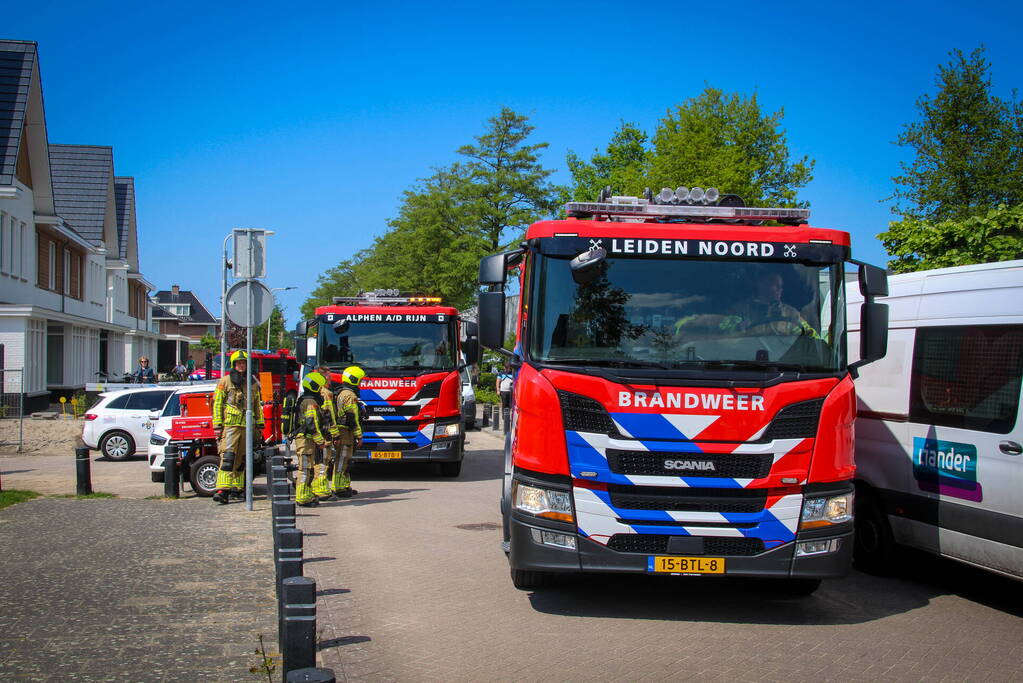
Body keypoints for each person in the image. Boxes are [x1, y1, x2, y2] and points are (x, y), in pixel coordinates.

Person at [211, 350, 264, 504]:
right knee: (228, 457)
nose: (242, 365)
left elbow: (256, 406)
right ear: (234, 365)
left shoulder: (252, 383)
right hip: (230, 425)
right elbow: (218, 404)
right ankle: (222, 490)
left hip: (247, 426)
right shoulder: (225, 381)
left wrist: (260, 424)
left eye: (244, 363)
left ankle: (237, 488)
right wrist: (217, 425)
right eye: (239, 363)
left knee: (241, 459)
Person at [292, 371, 328, 507]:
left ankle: (306, 494)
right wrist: (320, 441)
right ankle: (302, 497)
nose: (320, 390)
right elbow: (311, 424)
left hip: (307, 439)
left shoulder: (306, 399)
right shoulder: (310, 401)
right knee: (305, 469)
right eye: (319, 387)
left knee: (309, 469)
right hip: (306, 440)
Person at [331, 365, 365, 498]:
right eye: (360, 381)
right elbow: (352, 417)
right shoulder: (350, 395)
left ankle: (344, 485)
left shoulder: (342, 392)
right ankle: (339, 487)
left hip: (345, 431)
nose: (361, 384)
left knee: (346, 460)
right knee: (343, 459)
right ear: (354, 380)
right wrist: (359, 435)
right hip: (346, 432)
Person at [311, 365, 342, 501]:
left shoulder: (313, 391)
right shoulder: (326, 393)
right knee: (323, 462)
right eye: (328, 377)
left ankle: (316, 488)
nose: (330, 380)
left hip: (315, 433)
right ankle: (322, 491)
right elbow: (330, 416)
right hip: (325, 434)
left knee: (316, 461)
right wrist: (336, 434)